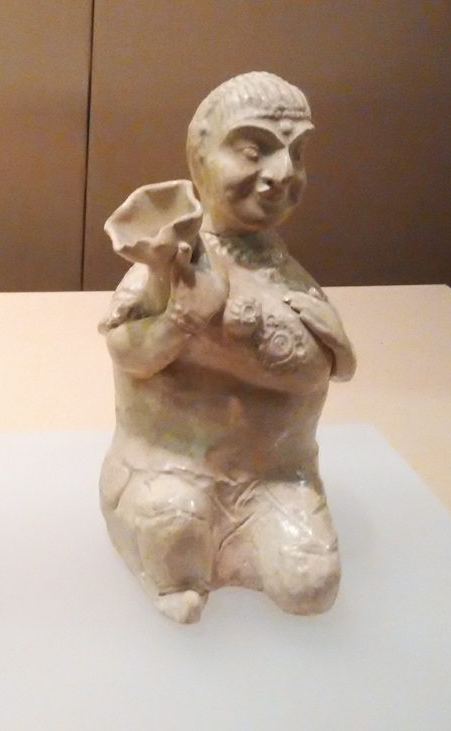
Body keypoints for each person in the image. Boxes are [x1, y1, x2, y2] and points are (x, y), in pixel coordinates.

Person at [99, 72, 355, 623]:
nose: (282, 173)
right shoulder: (171, 264)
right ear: (200, 160)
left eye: (296, 153)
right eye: (253, 151)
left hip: (275, 478)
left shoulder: (285, 276)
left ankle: (239, 541)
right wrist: (182, 319)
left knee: (311, 585)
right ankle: (176, 563)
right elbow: (128, 351)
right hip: (170, 469)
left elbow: (317, 367)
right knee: (174, 531)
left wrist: (224, 335)